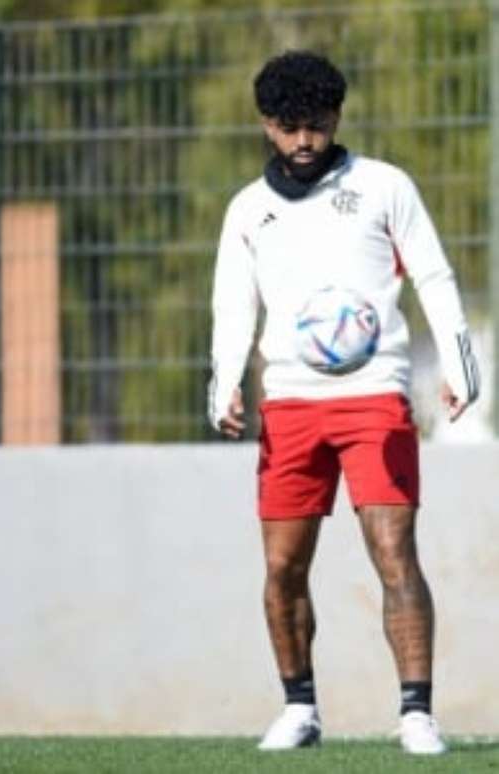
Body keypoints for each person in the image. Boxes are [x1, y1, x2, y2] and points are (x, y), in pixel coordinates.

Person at [208, 50, 479, 755]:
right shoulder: (248, 210)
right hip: (291, 405)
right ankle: (300, 709)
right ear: (267, 125)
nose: (305, 141)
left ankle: (416, 714)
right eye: (290, 127)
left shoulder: (385, 187)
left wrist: (459, 363)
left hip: (374, 398)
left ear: (337, 119)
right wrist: (224, 381)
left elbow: (435, 276)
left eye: (318, 126)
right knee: (281, 570)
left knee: (394, 552)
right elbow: (232, 307)